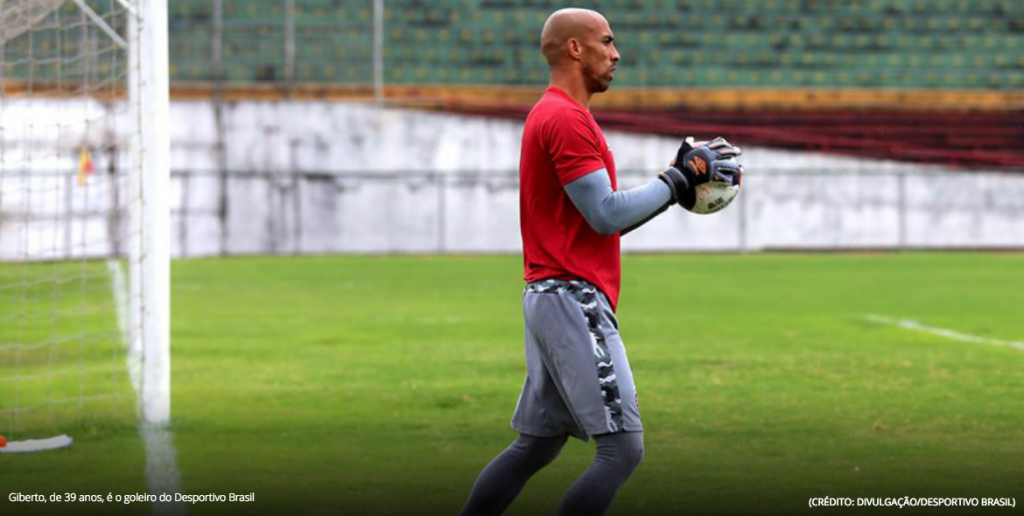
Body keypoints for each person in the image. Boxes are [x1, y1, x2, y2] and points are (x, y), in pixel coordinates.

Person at [458, 8, 742, 516]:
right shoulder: (565, 118)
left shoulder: (557, 113)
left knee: (537, 446)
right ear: (575, 49)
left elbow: (600, 214)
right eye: (607, 42)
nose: (616, 54)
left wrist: (671, 182)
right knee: (621, 449)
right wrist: (677, 181)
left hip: (549, 296)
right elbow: (605, 214)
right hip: (572, 298)